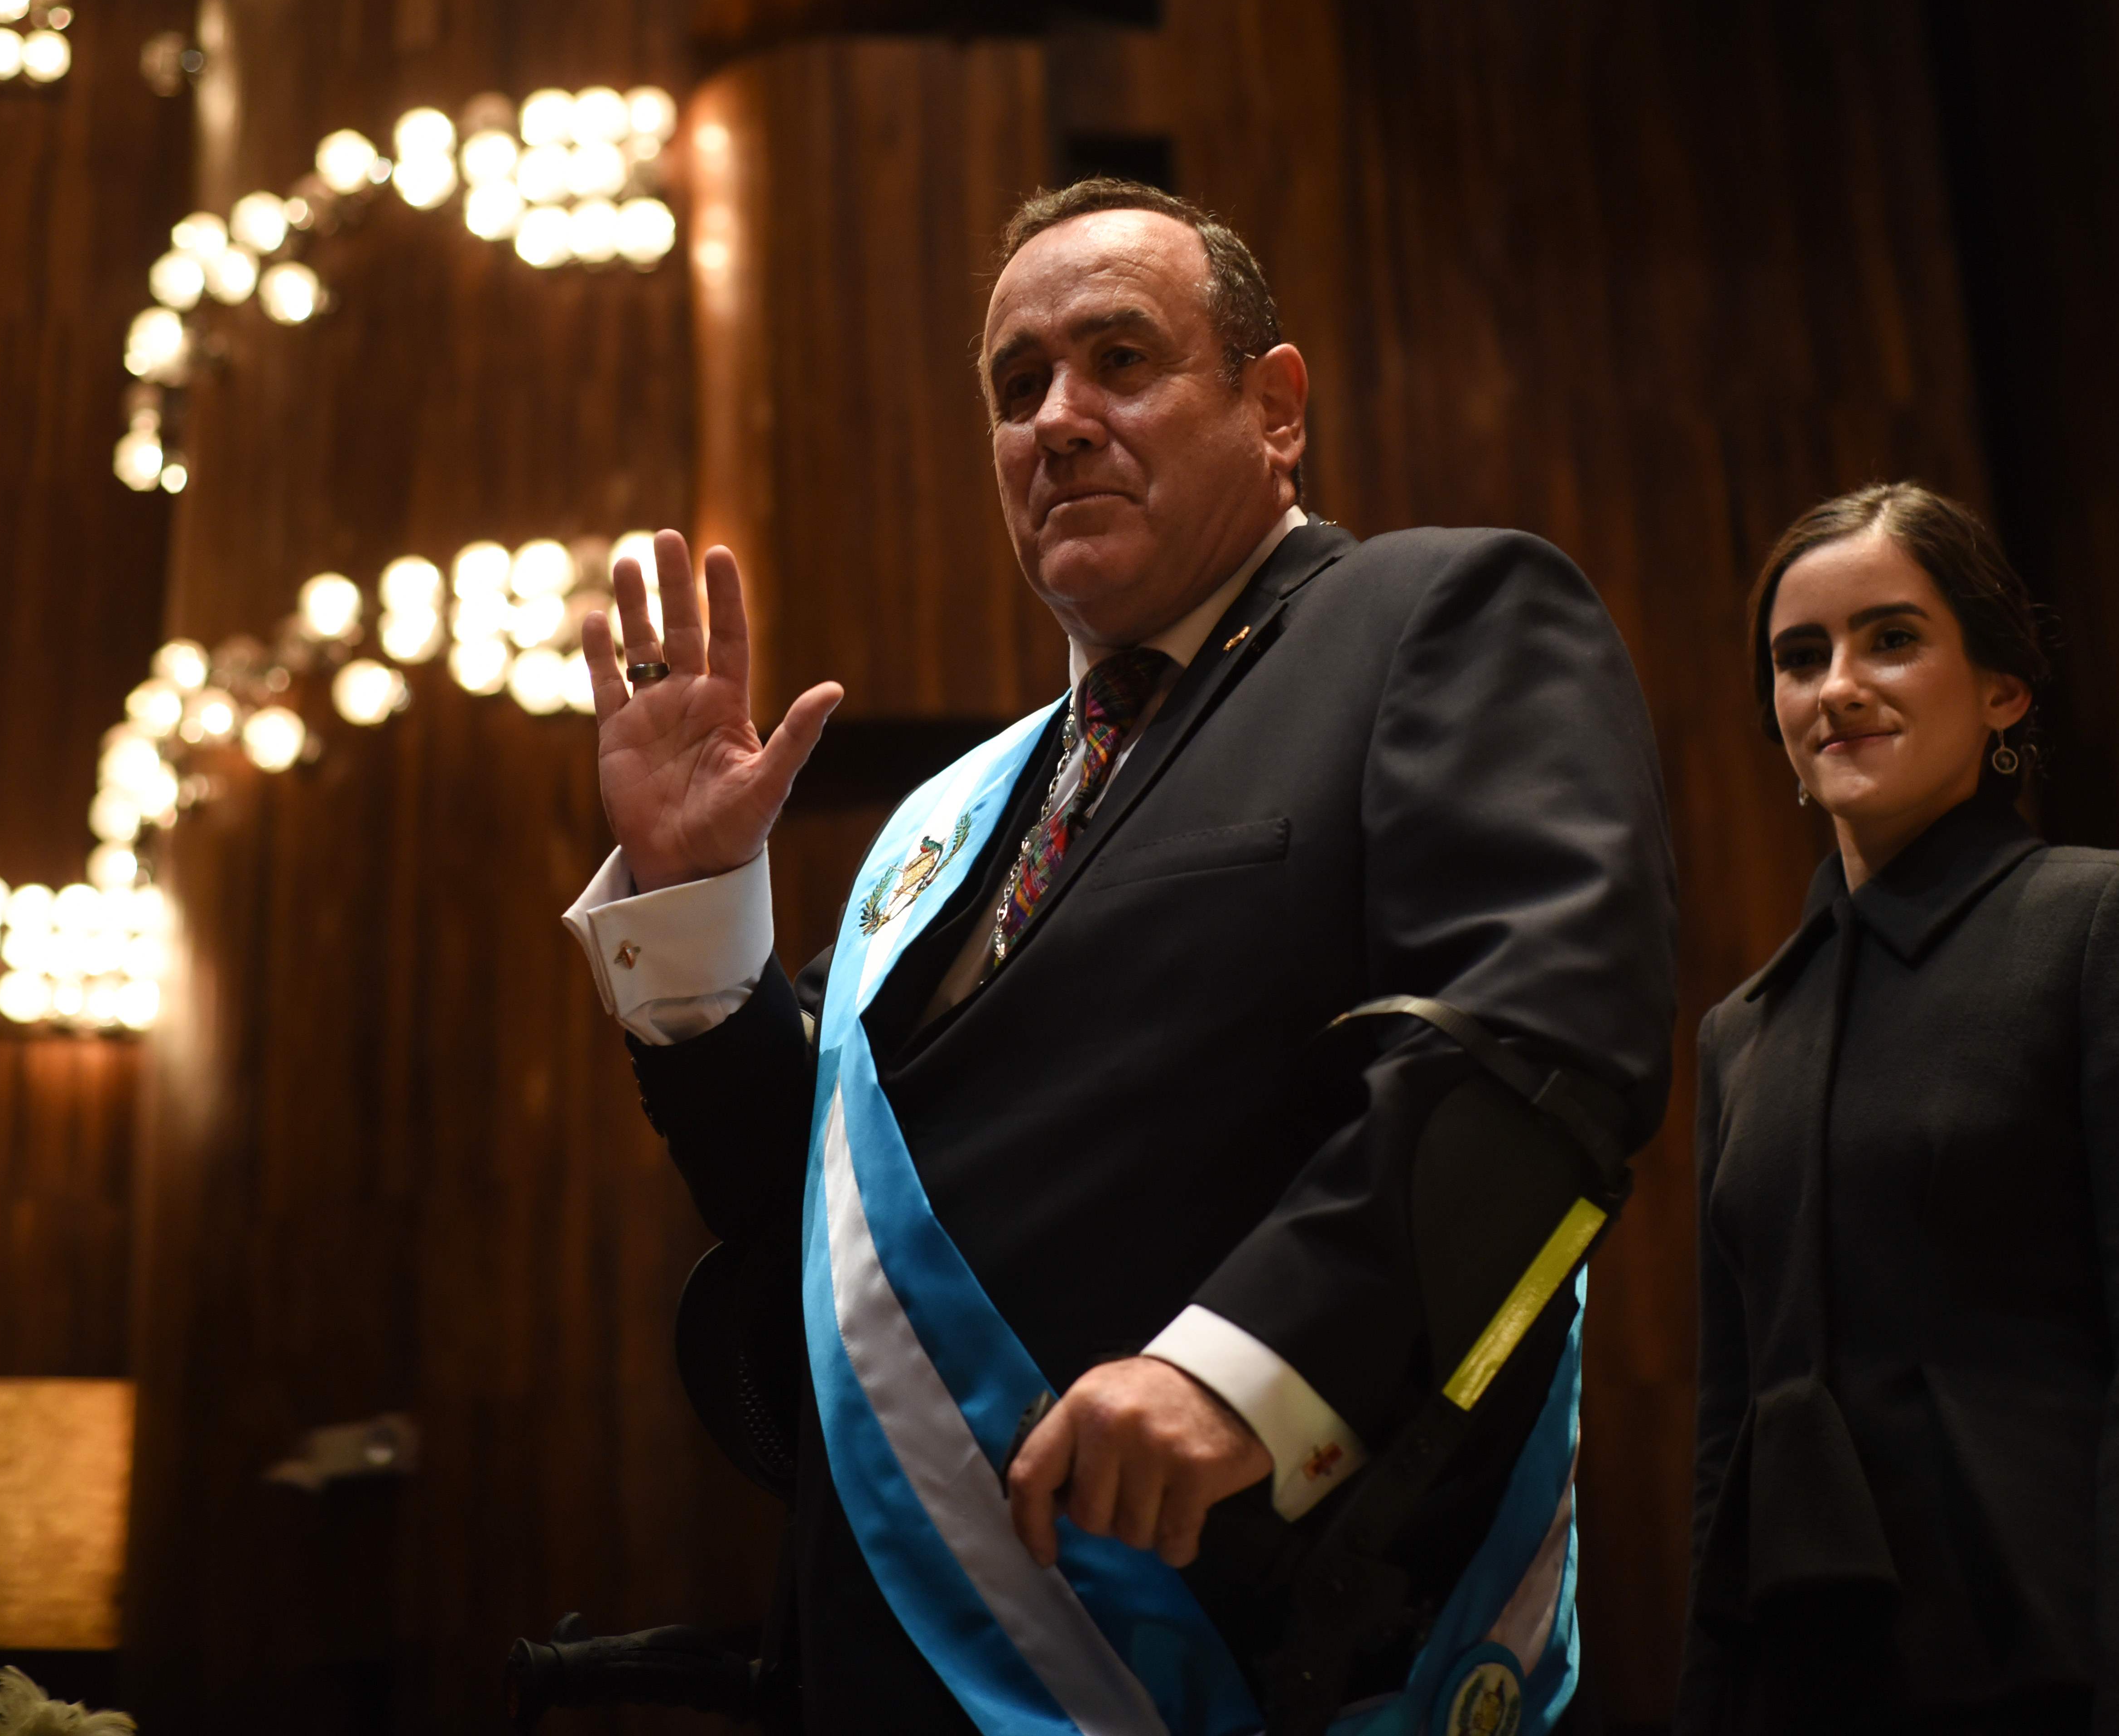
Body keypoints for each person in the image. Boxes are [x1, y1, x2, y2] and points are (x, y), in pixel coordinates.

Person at [558, 178, 1678, 1734]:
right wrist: (691, 900)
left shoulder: (1431, 615)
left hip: (1239, 1629)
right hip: (896, 1656)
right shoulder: (958, 816)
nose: (1060, 420)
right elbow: (811, 1214)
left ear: (1274, 409)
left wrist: (1246, 1371)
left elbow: (1539, 1038)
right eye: (1019, 389)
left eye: (1121, 361)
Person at [1678, 483, 2119, 1735]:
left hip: (2057, 1669)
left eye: (1891, 638)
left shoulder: (2116, 924)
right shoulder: (1739, 1035)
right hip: (1804, 1688)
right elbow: (1727, 1443)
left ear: (2002, 690)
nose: (1837, 685)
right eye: (1800, 657)